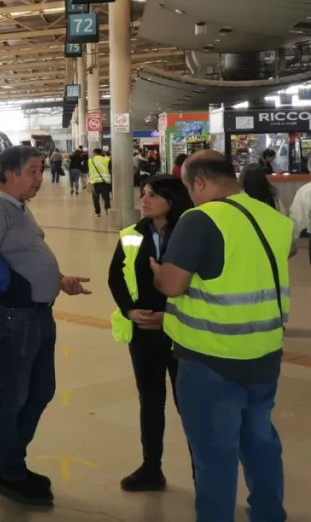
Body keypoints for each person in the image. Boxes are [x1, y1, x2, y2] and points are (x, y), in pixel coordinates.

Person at [151, 150, 297, 522]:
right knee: (260, 442)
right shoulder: (273, 218)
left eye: (189, 188)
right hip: (264, 353)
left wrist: (157, 269)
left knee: (215, 458)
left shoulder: (200, 219)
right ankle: (268, 515)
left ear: (199, 182)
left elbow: (172, 284)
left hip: (210, 358)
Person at [0, 145, 92, 506]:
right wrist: (1, 299)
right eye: (33, 171)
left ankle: (7, 461)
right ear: (9, 172)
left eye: (40, 170)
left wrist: (58, 279)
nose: (40, 178)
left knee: (41, 390)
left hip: (36, 314)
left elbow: (24, 257)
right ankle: (11, 473)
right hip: (15, 317)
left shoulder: (16, 206)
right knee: (11, 397)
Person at [107, 176, 195, 492]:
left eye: (153, 194)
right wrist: (130, 311)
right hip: (144, 333)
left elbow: (200, 283)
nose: (144, 199)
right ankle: (151, 468)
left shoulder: (190, 233)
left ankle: (203, 473)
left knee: (190, 405)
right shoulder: (132, 235)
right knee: (151, 400)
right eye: (143, 193)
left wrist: (169, 316)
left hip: (183, 332)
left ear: (171, 200)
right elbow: (116, 277)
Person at [88, 147, 112, 217]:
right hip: (104, 182)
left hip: (94, 182)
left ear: (94, 153)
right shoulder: (107, 159)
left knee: (96, 198)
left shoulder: (90, 160)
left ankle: (97, 213)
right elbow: (110, 168)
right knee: (106, 198)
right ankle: (108, 211)